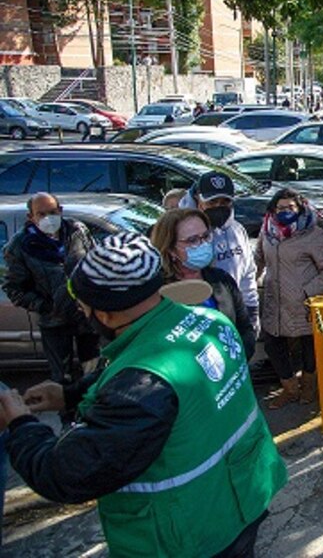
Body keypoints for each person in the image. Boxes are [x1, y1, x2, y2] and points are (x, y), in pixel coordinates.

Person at [0, 232, 287, 556]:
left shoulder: (139, 389)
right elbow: (160, 379)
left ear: (104, 314)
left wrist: (20, 424)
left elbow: (66, 474)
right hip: (243, 498)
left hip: (188, 534)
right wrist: (70, 395)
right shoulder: (210, 320)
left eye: (81, 305)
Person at [2, 192, 98, 383]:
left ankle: (91, 411)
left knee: (94, 373)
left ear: (60, 211)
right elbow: (13, 287)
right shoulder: (21, 245)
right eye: (42, 214)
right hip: (54, 323)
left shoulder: (76, 231)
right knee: (63, 379)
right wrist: (45, 306)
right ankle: (68, 412)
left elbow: (96, 263)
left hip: (86, 317)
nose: (49, 218)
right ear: (31, 217)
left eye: (53, 212)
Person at [255, 189, 323, 408]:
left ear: (300, 208)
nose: (285, 212)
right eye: (280, 208)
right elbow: (258, 259)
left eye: (290, 207)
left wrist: (308, 292)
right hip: (275, 301)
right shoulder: (267, 231)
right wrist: (250, 281)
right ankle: (290, 389)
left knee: (309, 347)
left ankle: (308, 387)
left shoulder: (313, 234)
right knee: (273, 345)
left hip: (303, 304)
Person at [150, 208, 256, 360]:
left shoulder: (221, 280)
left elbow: (245, 329)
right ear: (171, 250)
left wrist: (236, 359)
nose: (203, 244)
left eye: (206, 236)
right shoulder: (157, 294)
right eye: (192, 240)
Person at [180, 171, 260, 337]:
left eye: (225, 201)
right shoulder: (181, 233)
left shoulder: (237, 231)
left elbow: (247, 275)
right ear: (197, 199)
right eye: (212, 201)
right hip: (198, 321)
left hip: (235, 314)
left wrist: (251, 313)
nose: (219, 206)